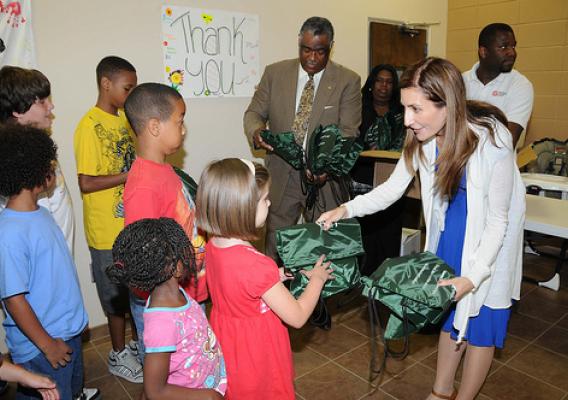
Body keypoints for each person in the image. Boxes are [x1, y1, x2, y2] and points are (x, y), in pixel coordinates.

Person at [318, 57, 525, 400]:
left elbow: (497, 220)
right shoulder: (422, 138)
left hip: (492, 242)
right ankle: (440, 392)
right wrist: (345, 209)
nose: (408, 120)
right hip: (450, 234)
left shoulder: (492, 138)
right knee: (449, 314)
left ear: (447, 103)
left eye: (416, 108)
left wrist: (473, 277)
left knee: (481, 326)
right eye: (405, 108)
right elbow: (392, 189)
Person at [196, 158, 334, 399]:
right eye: (264, 199)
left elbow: (240, 286)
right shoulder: (257, 265)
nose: (270, 203)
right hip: (256, 352)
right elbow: (298, 316)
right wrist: (318, 280)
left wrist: (279, 275)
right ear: (243, 208)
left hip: (229, 341)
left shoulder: (213, 243)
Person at [243, 16, 361, 262]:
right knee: (276, 241)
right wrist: (256, 131)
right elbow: (254, 113)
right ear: (299, 42)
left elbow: (349, 132)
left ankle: (314, 299)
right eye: (306, 49)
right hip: (281, 173)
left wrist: (325, 169)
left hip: (323, 181)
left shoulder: (347, 80)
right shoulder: (275, 73)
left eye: (320, 51)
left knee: (324, 244)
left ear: (331, 46)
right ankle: (276, 297)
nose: (312, 57)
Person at [0, 124, 95, 400]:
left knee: (71, 392)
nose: (53, 170)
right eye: (49, 164)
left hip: (65, 333)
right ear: (34, 171)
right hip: (42, 347)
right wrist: (47, 345)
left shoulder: (40, 213)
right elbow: (13, 300)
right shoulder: (9, 233)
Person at [123, 82, 207, 363]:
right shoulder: (144, 185)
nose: (184, 129)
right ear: (155, 126)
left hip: (184, 292)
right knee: (168, 378)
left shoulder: (166, 170)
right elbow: (144, 256)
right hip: (164, 303)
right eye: (180, 121)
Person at [73, 56, 142, 383]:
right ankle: (116, 354)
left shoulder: (126, 121)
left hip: (130, 225)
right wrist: (129, 175)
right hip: (105, 231)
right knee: (114, 297)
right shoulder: (89, 126)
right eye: (127, 88)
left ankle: (132, 345)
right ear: (106, 84)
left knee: (133, 292)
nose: (131, 94)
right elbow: (86, 182)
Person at [107, 218, 226, 400]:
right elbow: (155, 391)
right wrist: (208, 396)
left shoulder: (175, 294)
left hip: (203, 381)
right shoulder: (161, 324)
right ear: (176, 268)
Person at [0, 65, 75, 253]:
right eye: (42, 101)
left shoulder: (40, 145)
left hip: (59, 254)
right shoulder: (9, 160)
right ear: (18, 110)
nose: (51, 106)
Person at [350, 64, 406, 275]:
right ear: (372, 84)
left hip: (393, 177)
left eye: (389, 82)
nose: (384, 86)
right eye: (379, 81)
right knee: (366, 229)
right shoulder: (358, 109)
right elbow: (351, 140)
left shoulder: (401, 112)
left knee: (389, 230)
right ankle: (362, 276)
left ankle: (386, 276)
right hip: (363, 176)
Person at [463, 23, 533, 148]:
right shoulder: (460, 81)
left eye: (513, 46)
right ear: (484, 52)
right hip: (460, 163)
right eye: (504, 47)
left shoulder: (520, 85)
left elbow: (506, 142)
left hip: (497, 166)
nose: (512, 53)